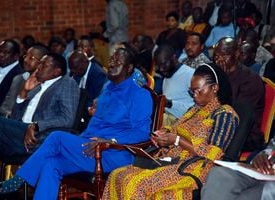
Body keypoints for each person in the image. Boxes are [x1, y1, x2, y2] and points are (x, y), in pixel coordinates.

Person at [0, 47, 153, 200]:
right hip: (87, 147)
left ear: (129, 68)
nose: (112, 62)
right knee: (51, 163)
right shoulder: (107, 90)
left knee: (57, 137)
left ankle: (13, 184)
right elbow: (95, 125)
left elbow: (142, 133)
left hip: (112, 153)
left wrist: (111, 141)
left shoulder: (140, 95)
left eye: (118, 61)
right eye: (112, 58)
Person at [101, 63, 239, 199]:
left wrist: (177, 140)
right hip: (171, 160)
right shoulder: (195, 109)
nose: (194, 96)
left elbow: (214, 155)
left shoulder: (224, 114)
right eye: (192, 91)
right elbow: (176, 128)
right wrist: (163, 134)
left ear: (214, 88)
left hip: (193, 168)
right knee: (117, 175)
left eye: (198, 90)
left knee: (134, 183)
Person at [0, 53, 79, 188]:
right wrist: (23, 93)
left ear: (56, 71)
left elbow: (67, 118)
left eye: (44, 65)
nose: (38, 68)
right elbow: (15, 119)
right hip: (20, 134)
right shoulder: (36, 87)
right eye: (39, 63)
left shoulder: (66, 83)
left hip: (38, 139)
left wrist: (36, 125)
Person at [214, 37, 265, 151]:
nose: (220, 60)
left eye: (225, 55)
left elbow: (237, 114)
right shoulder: (216, 74)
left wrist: (223, 81)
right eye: (217, 57)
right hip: (218, 125)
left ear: (237, 54)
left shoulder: (251, 79)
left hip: (245, 134)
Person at [201, 137, 275, 200]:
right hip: (266, 172)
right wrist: (264, 155)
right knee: (219, 174)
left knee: (249, 195)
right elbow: (271, 146)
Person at [0, 44, 49, 117]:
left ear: (42, 63)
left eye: (31, 58)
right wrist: (9, 115)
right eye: (25, 56)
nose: (25, 60)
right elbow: (5, 107)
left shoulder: (44, 83)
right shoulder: (18, 78)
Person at [155, 45, 194, 126]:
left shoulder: (190, 75)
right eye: (158, 65)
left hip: (184, 122)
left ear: (174, 57)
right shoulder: (167, 74)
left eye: (164, 63)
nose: (161, 69)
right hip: (166, 118)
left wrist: (170, 104)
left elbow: (198, 109)